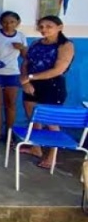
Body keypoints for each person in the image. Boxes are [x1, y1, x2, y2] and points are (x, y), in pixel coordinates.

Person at [19, 15, 74, 170]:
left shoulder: (65, 45)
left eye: (49, 26)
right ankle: (36, 148)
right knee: (33, 118)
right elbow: (26, 62)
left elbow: (58, 70)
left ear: (60, 27)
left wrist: (29, 77)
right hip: (31, 85)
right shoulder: (37, 43)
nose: (44, 29)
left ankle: (52, 155)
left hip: (52, 86)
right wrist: (26, 80)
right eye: (41, 26)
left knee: (51, 122)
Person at [0, 11, 27, 143]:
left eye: (12, 22)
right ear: (0, 23)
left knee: (11, 104)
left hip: (12, 73)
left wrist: (22, 48)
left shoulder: (20, 36)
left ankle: (10, 133)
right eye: (5, 22)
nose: (8, 25)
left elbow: (26, 56)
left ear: (18, 23)